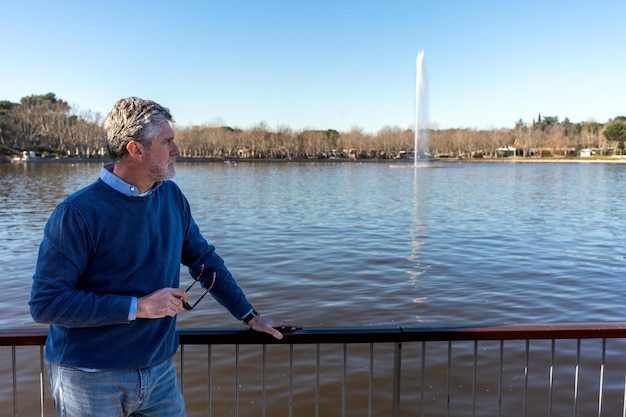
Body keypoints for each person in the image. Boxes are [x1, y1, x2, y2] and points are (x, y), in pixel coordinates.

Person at [29, 97, 301, 417]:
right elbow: (46, 303)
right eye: (167, 142)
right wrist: (139, 307)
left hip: (159, 374)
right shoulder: (77, 213)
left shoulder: (172, 197)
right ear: (136, 150)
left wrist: (250, 316)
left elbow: (205, 261)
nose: (177, 150)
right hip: (89, 379)